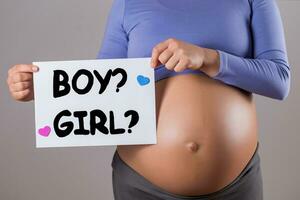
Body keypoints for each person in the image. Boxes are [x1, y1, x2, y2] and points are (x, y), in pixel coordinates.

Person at [7, 0, 291, 199]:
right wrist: (45, 90)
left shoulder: (254, 0)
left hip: (235, 185)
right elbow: (100, 86)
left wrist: (208, 58)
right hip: (142, 186)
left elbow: (279, 80)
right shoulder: (129, 3)